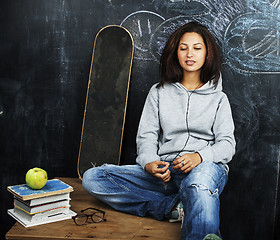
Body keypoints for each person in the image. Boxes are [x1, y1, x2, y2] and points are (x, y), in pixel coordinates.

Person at [82, 21, 236, 240]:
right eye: (183, 48)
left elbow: (227, 145)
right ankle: (172, 207)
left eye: (197, 48)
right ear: (175, 53)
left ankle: (194, 214)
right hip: (166, 172)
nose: (189, 54)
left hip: (205, 169)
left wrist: (199, 157)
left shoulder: (219, 98)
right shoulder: (159, 92)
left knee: (198, 184)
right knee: (93, 178)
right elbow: (146, 137)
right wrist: (149, 162)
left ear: (207, 54)